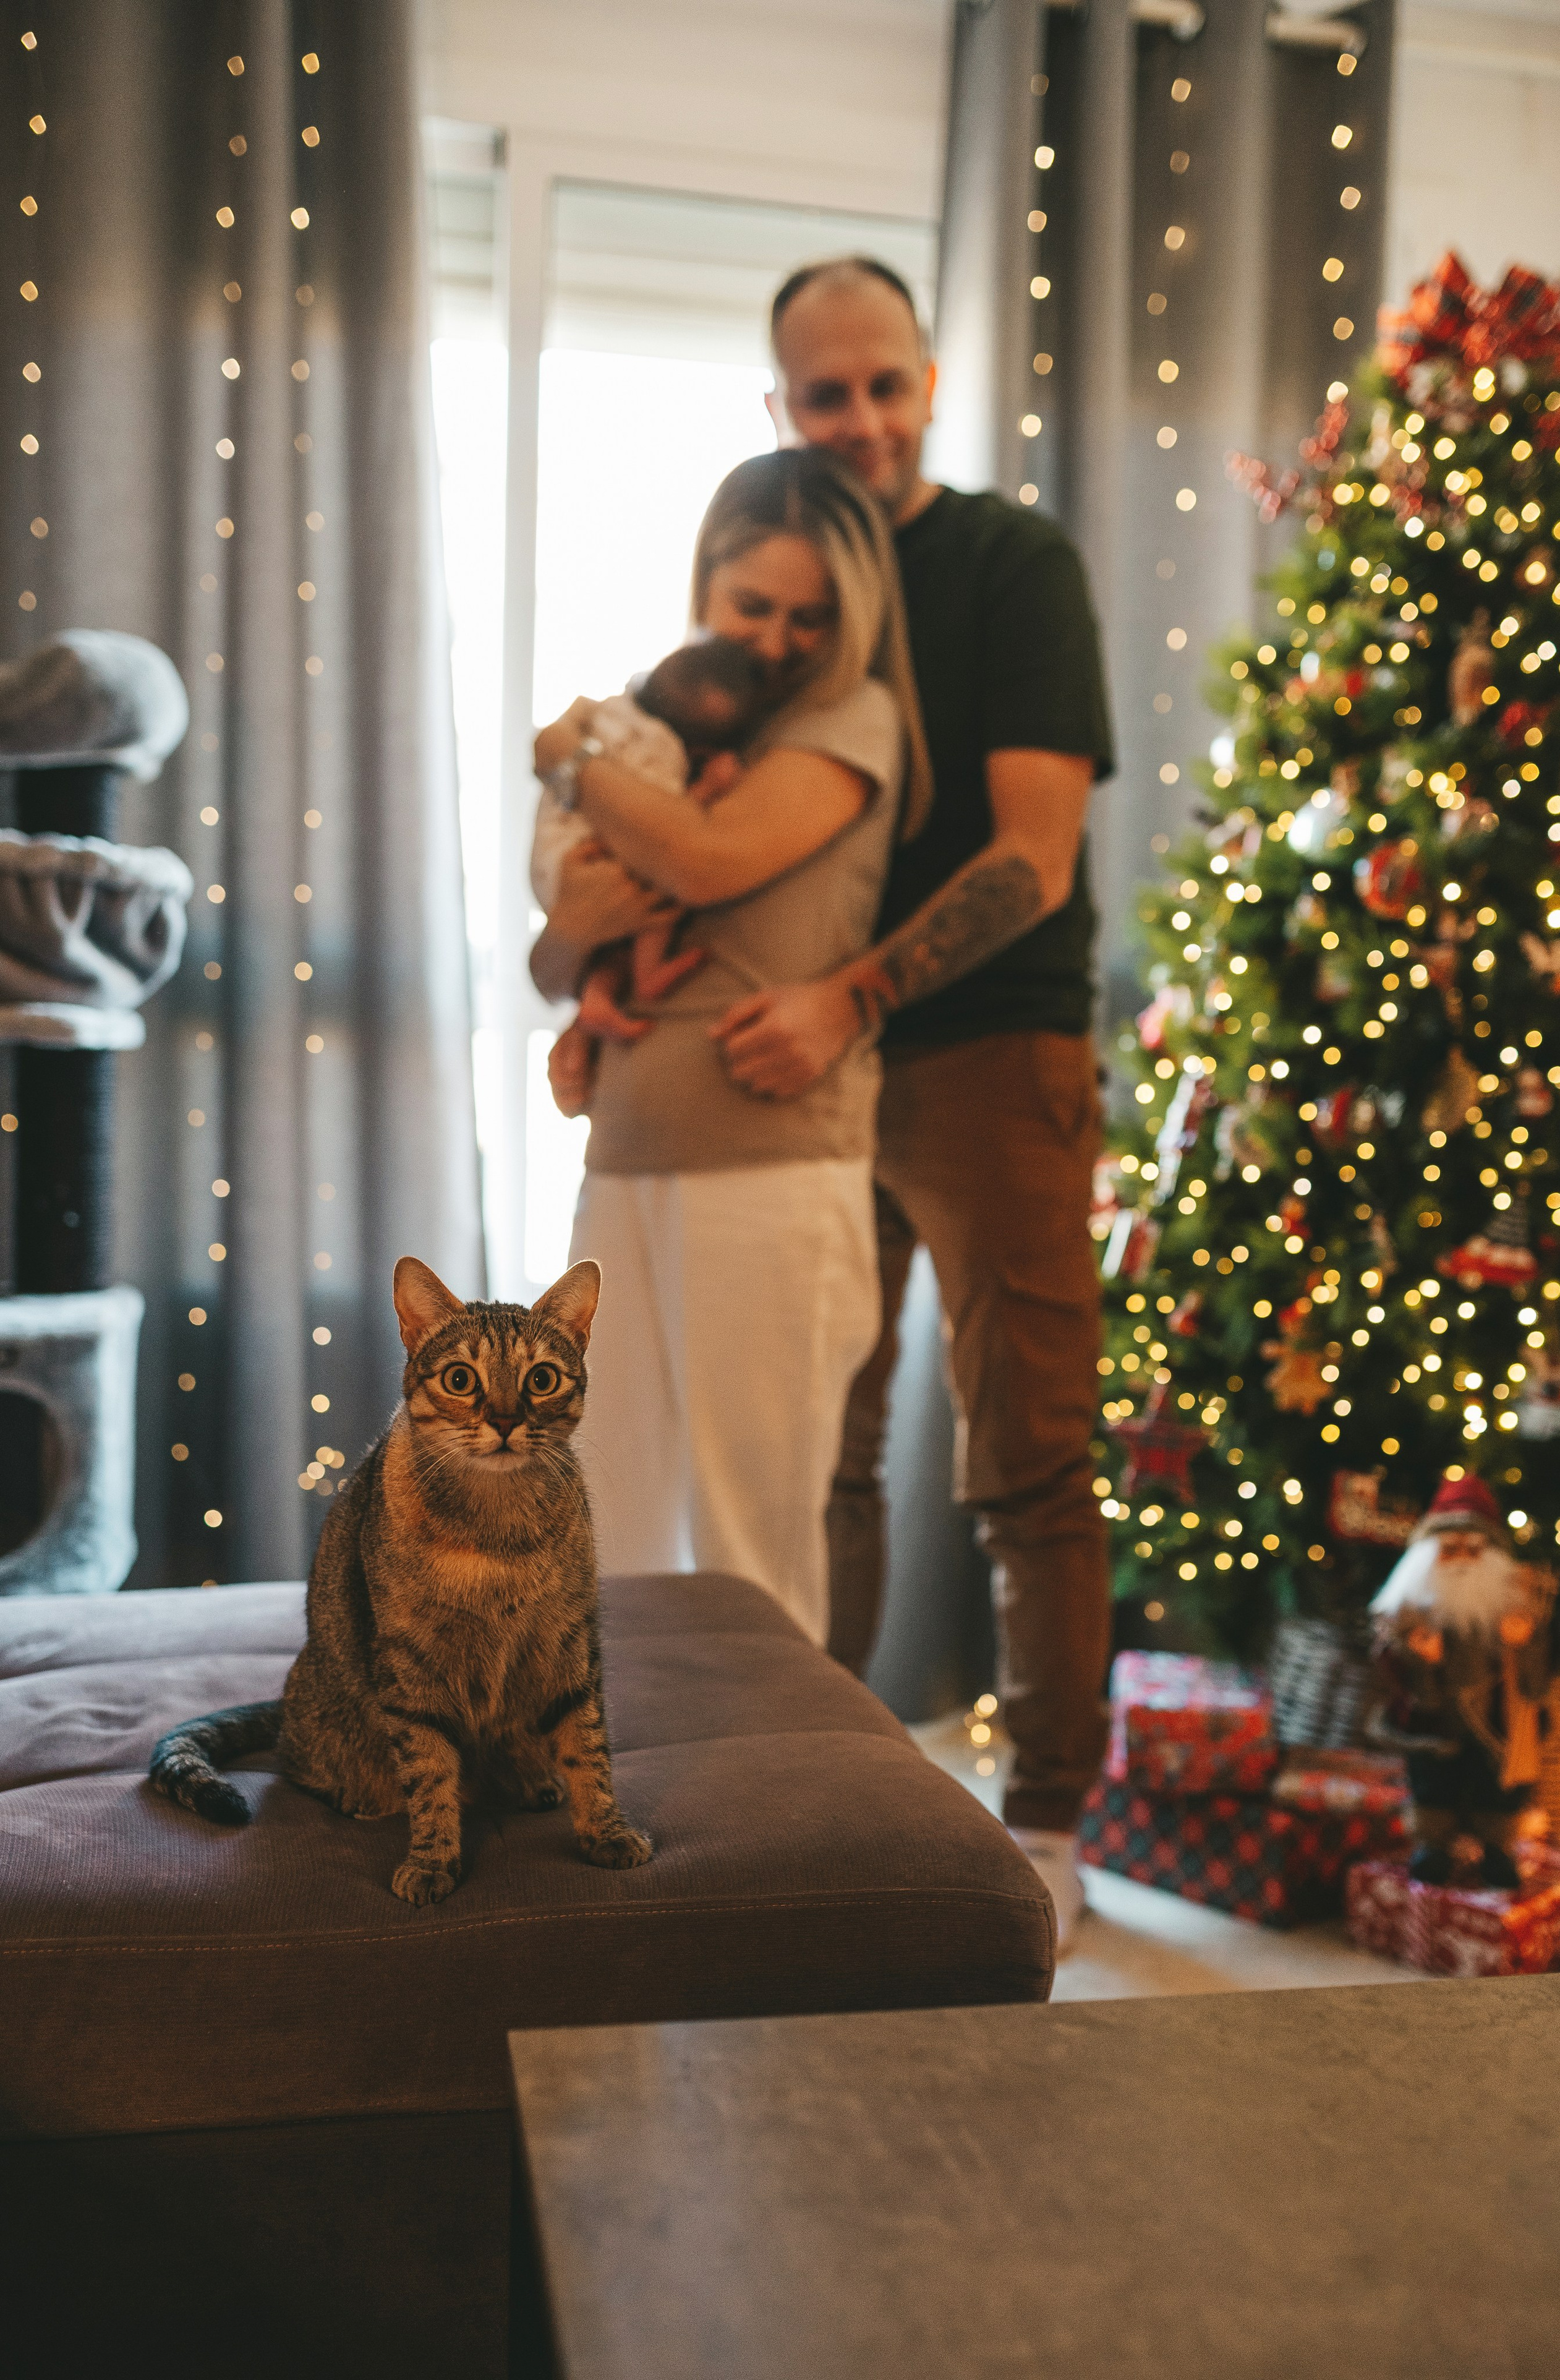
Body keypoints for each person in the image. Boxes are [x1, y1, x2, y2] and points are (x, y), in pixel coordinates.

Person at [711, 257, 1115, 1930]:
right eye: (827, 395)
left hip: (993, 1053)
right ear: (781, 412)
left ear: (934, 380)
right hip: (816, 1063)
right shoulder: (787, 582)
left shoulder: (1012, 563)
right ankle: (843, 1798)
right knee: (822, 1447)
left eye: (887, 383)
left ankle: (1043, 1836)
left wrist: (849, 996)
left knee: (1030, 1456)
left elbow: (1036, 855)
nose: (862, 420)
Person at [529, 447, 931, 1644]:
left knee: (754, 1557)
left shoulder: (849, 717)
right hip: (624, 1157)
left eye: (812, 617)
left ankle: (781, 1826)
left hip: (770, 1169)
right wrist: (578, 950)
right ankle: (613, 1793)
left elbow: (702, 863)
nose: (775, 642)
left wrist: (563, 750)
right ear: (705, 582)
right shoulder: (670, 720)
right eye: (751, 606)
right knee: (601, 1526)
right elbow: (552, 959)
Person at [532, 636, 772, 1117]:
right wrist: (709, 787)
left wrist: (558, 748)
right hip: (584, 862)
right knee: (658, 887)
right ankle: (648, 971)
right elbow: (667, 831)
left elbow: (558, 735)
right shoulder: (659, 751)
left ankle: (597, 996)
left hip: (550, 860)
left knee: (617, 921)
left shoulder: (612, 710)